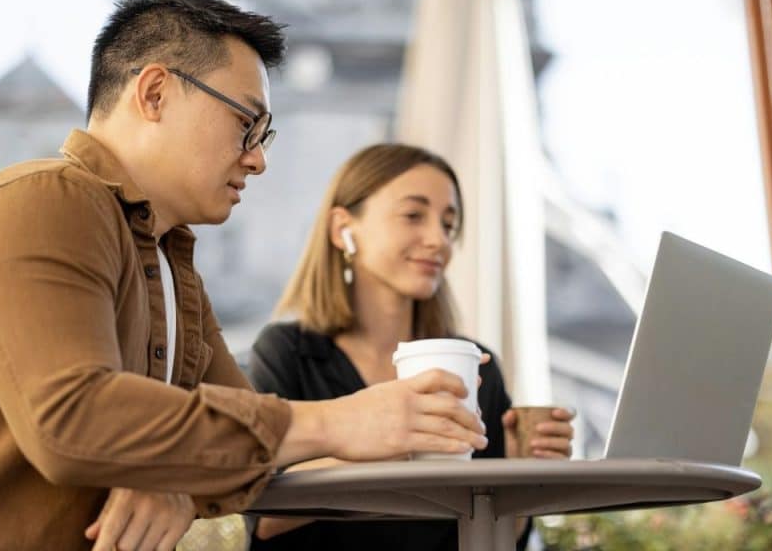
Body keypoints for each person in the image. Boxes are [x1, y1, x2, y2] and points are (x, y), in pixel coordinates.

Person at [0, 0, 488, 551]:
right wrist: (337, 422)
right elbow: (72, 421)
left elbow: (241, 430)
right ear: (157, 92)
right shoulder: (41, 202)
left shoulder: (169, 260)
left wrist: (173, 479)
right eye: (247, 126)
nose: (258, 159)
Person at [245, 143, 577, 550]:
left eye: (449, 224)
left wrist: (523, 480)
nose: (438, 240)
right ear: (342, 229)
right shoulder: (287, 353)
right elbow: (263, 519)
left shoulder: (477, 366)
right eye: (413, 215)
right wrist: (397, 445)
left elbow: (496, 539)